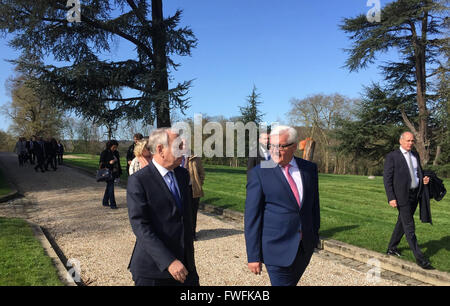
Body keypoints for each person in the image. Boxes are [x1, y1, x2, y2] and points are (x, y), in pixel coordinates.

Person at [245, 125, 320, 286]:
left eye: (281, 146)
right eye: (271, 146)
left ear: (294, 146)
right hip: (275, 249)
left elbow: (314, 206)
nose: (275, 151)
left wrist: (314, 236)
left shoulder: (309, 169)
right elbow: (252, 217)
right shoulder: (259, 173)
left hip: (304, 248)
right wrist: (253, 256)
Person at [127, 128, 199, 286]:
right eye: (178, 146)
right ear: (160, 149)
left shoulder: (182, 175)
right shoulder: (139, 181)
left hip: (186, 268)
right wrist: (169, 261)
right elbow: (141, 226)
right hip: (154, 272)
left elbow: (184, 218)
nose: (184, 150)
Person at [383, 131, 432, 269]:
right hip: (401, 197)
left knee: (402, 222)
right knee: (409, 226)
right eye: (408, 141)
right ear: (401, 141)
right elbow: (387, 179)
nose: (410, 143)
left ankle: (392, 248)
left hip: (415, 195)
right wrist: (391, 197)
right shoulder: (392, 157)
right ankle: (420, 258)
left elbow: (418, 173)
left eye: (412, 141)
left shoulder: (415, 155)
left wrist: (424, 179)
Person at [184, 154, 205, 241]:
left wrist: (199, 184)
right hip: (181, 189)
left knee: (193, 212)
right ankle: (184, 233)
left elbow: (202, 173)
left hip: (193, 189)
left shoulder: (196, 159)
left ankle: (192, 233)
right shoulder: (177, 158)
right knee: (183, 212)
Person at [99, 140, 122, 209]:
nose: (115, 148)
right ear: (110, 146)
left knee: (109, 187)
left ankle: (105, 201)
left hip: (114, 172)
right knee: (111, 188)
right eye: (114, 147)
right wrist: (110, 163)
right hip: (107, 173)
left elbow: (118, 163)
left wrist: (119, 172)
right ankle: (113, 204)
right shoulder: (105, 152)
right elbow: (101, 163)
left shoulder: (116, 153)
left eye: (116, 147)